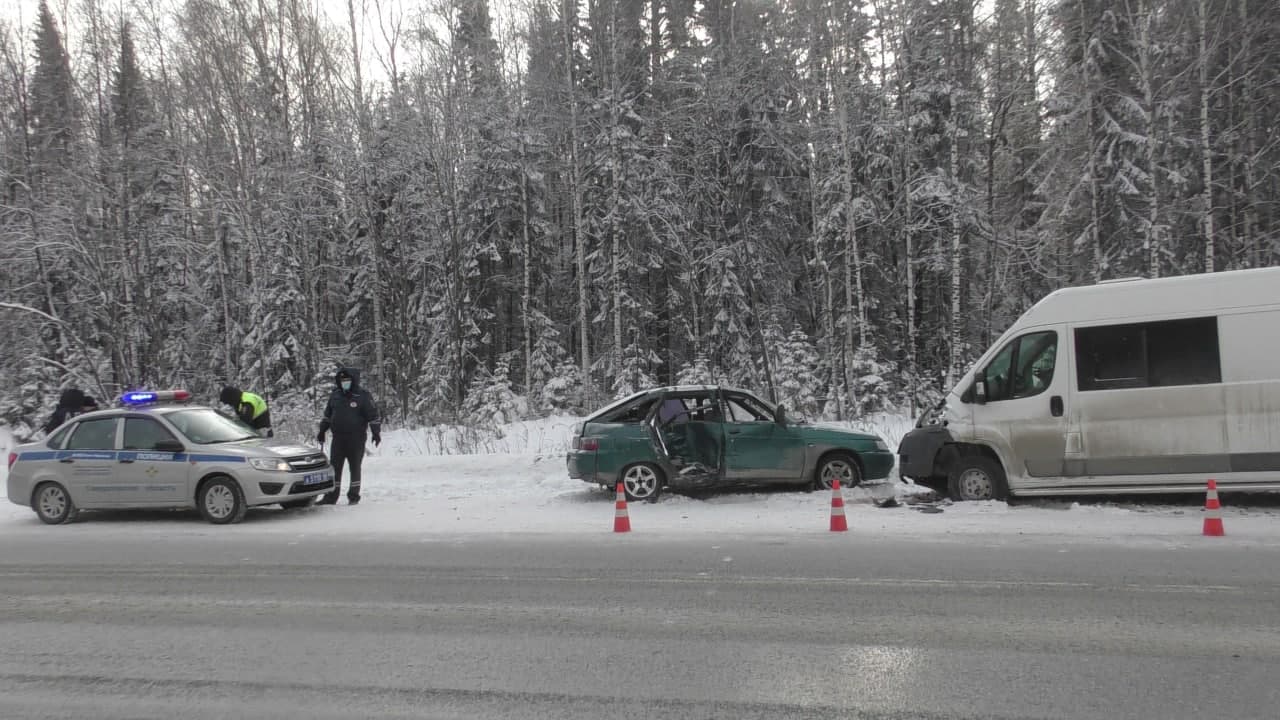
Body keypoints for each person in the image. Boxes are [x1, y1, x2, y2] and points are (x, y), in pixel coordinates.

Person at [316, 368, 381, 505]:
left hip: (356, 438)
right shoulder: (335, 395)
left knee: (355, 467)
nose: (344, 382)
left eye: (347, 380)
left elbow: (373, 416)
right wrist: (322, 431)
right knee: (335, 468)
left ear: (354, 380)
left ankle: (353, 496)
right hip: (338, 438)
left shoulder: (363, 395)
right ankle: (331, 497)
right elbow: (328, 415)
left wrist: (376, 432)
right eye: (342, 380)